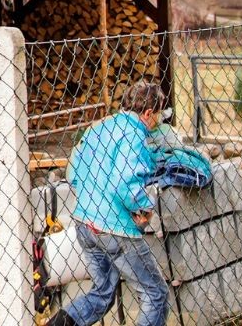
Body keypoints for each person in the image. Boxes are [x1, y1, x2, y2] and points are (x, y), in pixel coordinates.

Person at [49, 81, 171, 326]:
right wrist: (144, 207)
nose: (159, 120)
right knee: (155, 294)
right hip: (115, 228)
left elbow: (72, 173)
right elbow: (124, 183)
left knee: (103, 292)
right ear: (148, 114)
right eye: (159, 114)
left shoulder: (101, 126)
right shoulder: (135, 135)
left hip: (85, 222)